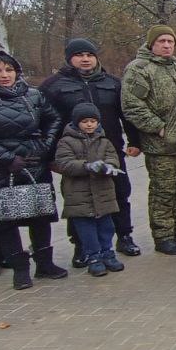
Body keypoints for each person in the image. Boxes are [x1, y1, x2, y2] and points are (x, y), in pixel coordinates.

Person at [0, 51, 66, 290]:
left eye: (9, 69)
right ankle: (20, 269)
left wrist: (45, 146)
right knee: (7, 218)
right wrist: (5, 157)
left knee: (40, 214)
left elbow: (53, 118)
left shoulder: (32, 95)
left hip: (33, 162)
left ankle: (45, 263)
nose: (4, 75)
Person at [39, 38, 143, 266]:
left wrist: (135, 141)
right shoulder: (53, 86)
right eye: (79, 55)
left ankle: (124, 236)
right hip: (74, 154)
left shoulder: (112, 83)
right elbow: (45, 122)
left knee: (119, 194)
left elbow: (126, 114)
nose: (85, 59)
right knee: (78, 201)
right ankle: (82, 246)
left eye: (90, 54)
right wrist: (50, 156)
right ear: (69, 58)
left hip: (110, 150)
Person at [121, 25, 176, 256]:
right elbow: (132, 105)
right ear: (152, 44)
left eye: (171, 41)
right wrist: (159, 128)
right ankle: (163, 236)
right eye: (162, 41)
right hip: (161, 146)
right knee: (163, 192)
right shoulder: (139, 68)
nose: (167, 45)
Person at [52, 103, 126, 277]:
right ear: (77, 122)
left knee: (106, 226)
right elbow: (64, 163)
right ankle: (93, 256)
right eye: (85, 121)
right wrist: (87, 166)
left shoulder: (104, 140)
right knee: (86, 228)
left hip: (103, 192)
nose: (89, 125)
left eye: (93, 121)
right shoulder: (66, 142)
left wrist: (108, 167)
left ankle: (107, 253)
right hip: (79, 194)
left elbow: (113, 158)